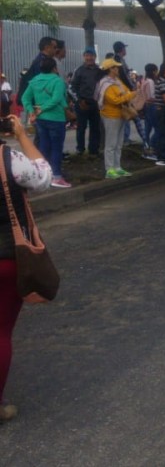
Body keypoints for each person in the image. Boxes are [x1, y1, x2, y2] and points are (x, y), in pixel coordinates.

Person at [0, 114, 53, 423]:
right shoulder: (10, 159)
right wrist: (22, 136)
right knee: (1, 330)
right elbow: (44, 176)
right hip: (7, 256)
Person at [21, 57, 71, 188]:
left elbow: (25, 98)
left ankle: (43, 175)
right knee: (56, 148)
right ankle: (57, 177)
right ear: (54, 68)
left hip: (41, 120)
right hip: (56, 118)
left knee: (44, 146)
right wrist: (43, 108)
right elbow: (56, 99)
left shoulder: (34, 81)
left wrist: (32, 111)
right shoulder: (57, 81)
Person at [96, 58, 138, 179]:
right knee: (111, 143)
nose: (118, 69)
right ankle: (109, 169)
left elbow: (125, 92)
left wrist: (126, 95)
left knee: (118, 143)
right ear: (110, 69)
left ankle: (117, 167)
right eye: (115, 67)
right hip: (110, 115)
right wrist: (129, 95)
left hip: (121, 114)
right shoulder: (106, 83)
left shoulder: (117, 81)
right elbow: (114, 100)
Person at [69, 48, 103, 157]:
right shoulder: (78, 70)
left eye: (91, 55)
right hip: (82, 103)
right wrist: (79, 101)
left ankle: (94, 150)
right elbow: (71, 88)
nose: (89, 58)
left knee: (95, 127)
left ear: (95, 57)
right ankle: (80, 149)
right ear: (84, 57)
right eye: (87, 55)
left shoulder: (99, 70)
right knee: (81, 127)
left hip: (96, 103)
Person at [141, 64, 159, 160]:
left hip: (145, 106)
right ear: (153, 71)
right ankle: (151, 149)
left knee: (147, 129)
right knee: (158, 128)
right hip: (152, 105)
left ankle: (145, 149)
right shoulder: (151, 82)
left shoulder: (144, 80)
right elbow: (152, 96)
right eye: (156, 71)